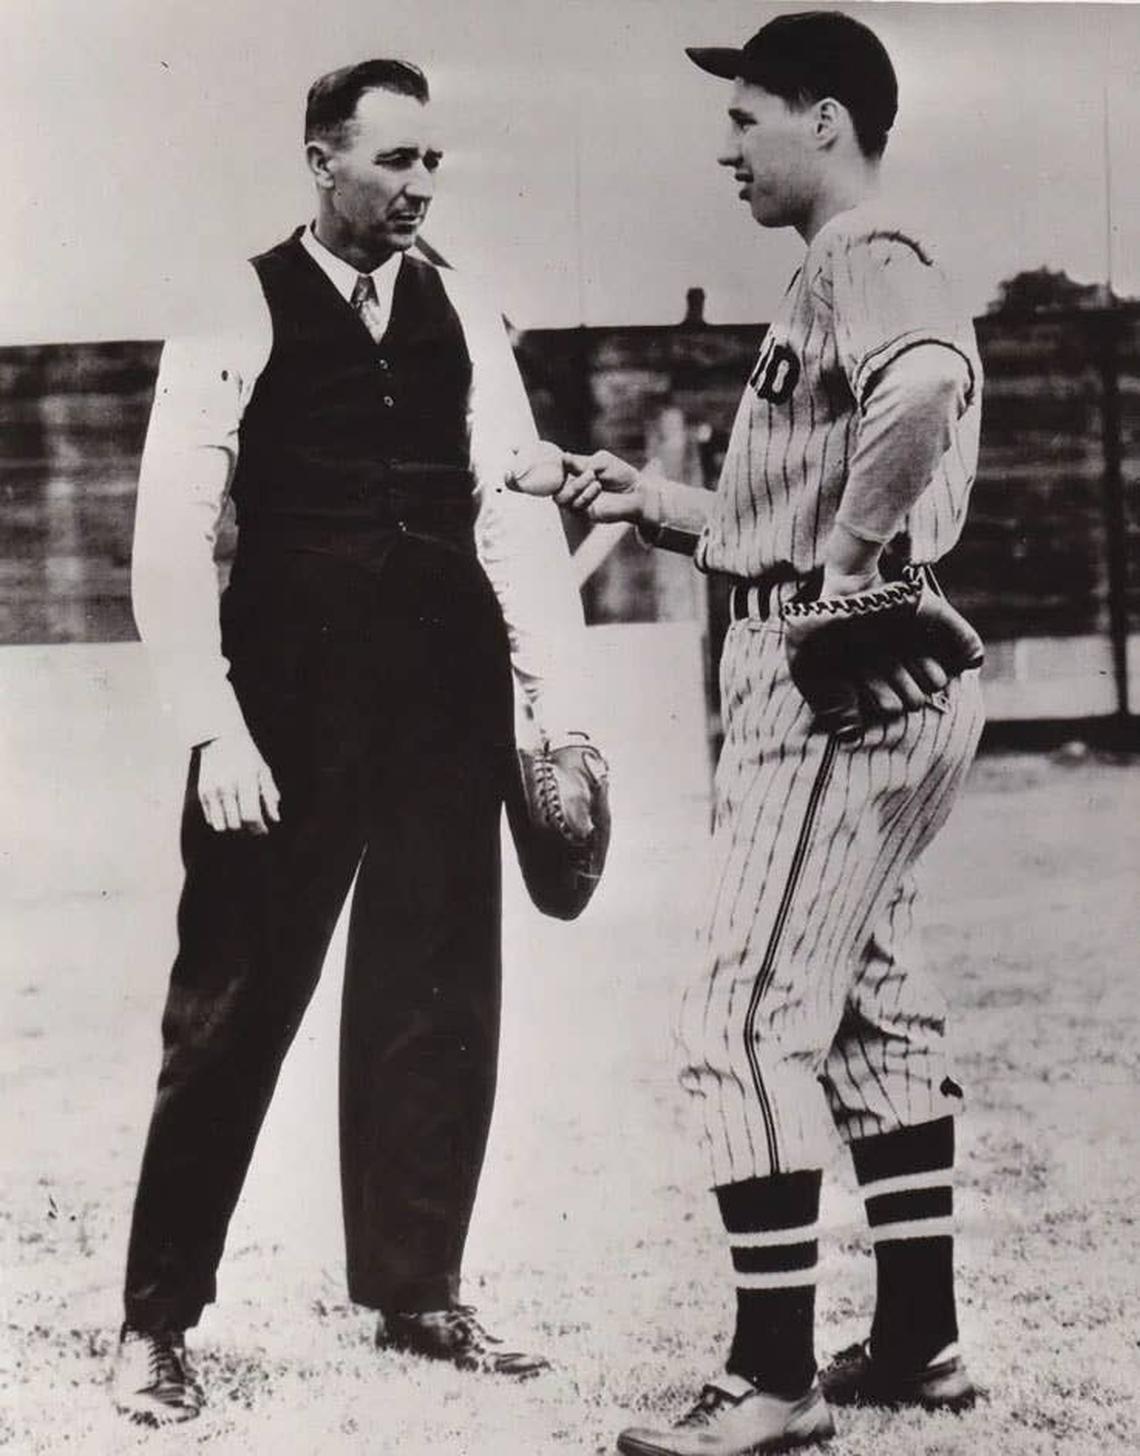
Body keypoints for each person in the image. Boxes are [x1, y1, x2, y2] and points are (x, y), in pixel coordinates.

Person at [513, 12, 985, 1454]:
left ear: (825, 119)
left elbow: (924, 386)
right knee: (866, 1001)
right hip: (875, 661)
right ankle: (918, 1342)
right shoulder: (847, 267)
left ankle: (770, 1382)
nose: (725, 145)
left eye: (746, 115)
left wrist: (843, 568)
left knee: (742, 1017)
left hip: (834, 673)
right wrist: (650, 501)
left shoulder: (863, 254)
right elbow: (792, 504)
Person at [114, 57, 590, 1426]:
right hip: (287, 706)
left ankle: (416, 1288)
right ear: (322, 161)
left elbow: (511, 518)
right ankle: (156, 1323)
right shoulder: (233, 301)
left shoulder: (463, 307)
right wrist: (216, 733)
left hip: (445, 701)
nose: (419, 184)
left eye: (433, 160)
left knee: (436, 995)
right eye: (393, 160)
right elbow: (169, 536)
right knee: (233, 1004)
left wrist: (552, 708)